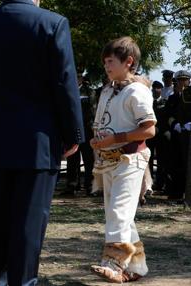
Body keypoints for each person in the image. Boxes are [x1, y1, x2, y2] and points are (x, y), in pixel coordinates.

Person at [0, 1, 84, 285]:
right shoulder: (53, 23)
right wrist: (72, 133)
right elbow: (65, 82)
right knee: (28, 221)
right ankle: (22, 280)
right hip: (37, 142)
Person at [89, 36, 155, 283]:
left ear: (128, 62)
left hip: (130, 159)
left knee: (119, 213)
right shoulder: (108, 89)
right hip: (108, 160)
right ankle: (136, 268)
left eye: (110, 61)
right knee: (121, 216)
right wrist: (99, 141)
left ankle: (114, 263)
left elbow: (149, 130)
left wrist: (114, 138)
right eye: (105, 61)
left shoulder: (137, 90)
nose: (106, 66)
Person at [65, 71, 96, 195]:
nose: (76, 79)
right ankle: (71, 186)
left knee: (89, 160)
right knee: (72, 159)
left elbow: (93, 111)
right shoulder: (67, 90)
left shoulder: (90, 91)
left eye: (78, 76)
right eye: (75, 76)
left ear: (82, 78)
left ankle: (89, 187)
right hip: (72, 131)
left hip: (86, 130)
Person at [165, 70, 191, 201]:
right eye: (179, 80)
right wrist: (174, 124)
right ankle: (176, 193)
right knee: (176, 163)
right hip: (177, 134)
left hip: (189, 134)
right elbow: (168, 114)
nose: (182, 82)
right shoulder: (172, 97)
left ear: (189, 81)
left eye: (184, 80)